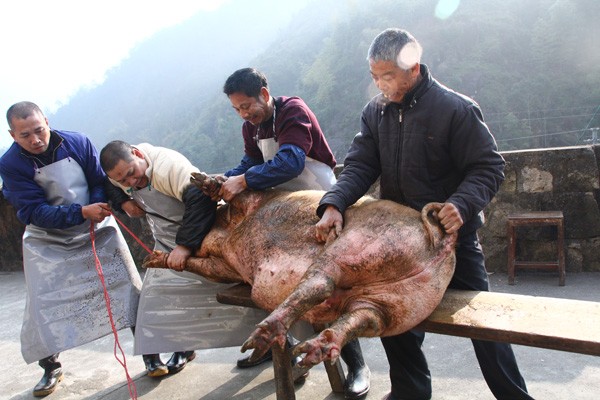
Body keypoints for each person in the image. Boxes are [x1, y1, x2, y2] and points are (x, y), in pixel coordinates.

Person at [315, 28, 534, 400]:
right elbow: (359, 166)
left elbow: (488, 167)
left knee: (484, 328)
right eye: (374, 77)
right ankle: (411, 393)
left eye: (387, 76)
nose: (381, 85)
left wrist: (461, 204)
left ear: (413, 67)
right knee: (395, 324)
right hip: (400, 245)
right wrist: (334, 203)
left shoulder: (455, 109)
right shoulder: (375, 112)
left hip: (452, 243)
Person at [214, 67, 371, 399]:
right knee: (279, 281)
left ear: (265, 95)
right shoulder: (251, 127)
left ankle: (356, 365)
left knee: (330, 289)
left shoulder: (292, 111)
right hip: (286, 210)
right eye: (237, 110)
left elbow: (290, 162)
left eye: (247, 106)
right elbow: (250, 161)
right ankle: (284, 350)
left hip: (320, 202)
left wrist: (242, 181)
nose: (243, 114)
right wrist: (225, 179)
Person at [0, 102, 143, 397]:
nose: (36, 139)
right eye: (25, 135)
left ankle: (151, 351)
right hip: (47, 237)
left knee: (128, 285)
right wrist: (79, 212)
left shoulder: (77, 141)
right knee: (43, 302)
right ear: (13, 135)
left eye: (40, 130)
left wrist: (96, 208)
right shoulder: (10, 164)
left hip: (95, 224)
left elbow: (98, 181)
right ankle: (50, 366)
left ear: (47, 122)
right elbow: (32, 212)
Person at [100, 140, 265, 378]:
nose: (131, 182)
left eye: (131, 174)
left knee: (240, 293)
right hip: (164, 240)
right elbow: (108, 183)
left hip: (203, 236)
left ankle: (269, 344)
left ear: (137, 154)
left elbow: (201, 200)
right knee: (160, 300)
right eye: (123, 181)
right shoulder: (120, 174)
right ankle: (182, 349)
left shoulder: (169, 166)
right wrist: (123, 201)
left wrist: (184, 246)